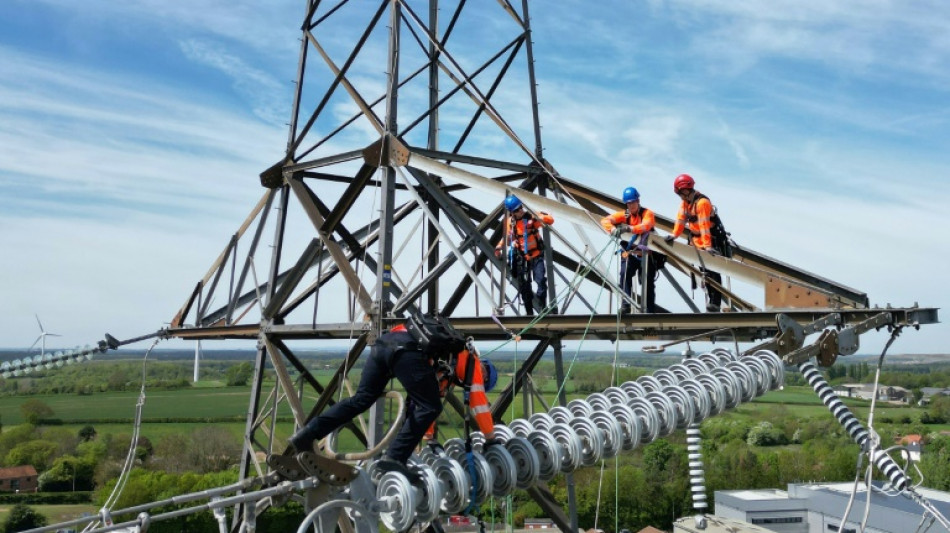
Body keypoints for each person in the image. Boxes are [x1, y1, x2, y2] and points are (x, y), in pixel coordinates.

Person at [287, 314, 466, 479]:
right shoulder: (453, 360)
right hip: (406, 352)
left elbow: (415, 396)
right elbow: (423, 400)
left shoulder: (430, 336)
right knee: (431, 407)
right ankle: (394, 458)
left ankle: (306, 434)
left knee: (361, 399)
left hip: (382, 345)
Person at [663, 173, 724, 312]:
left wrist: (707, 246)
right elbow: (680, 220)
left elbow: (704, 226)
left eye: (680, 193)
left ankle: (716, 302)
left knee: (712, 272)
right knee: (704, 272)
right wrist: (674, 235)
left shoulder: (702, 203)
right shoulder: (686, 203)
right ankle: (711, 301)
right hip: (697, 240)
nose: (680, 196)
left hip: (710, 240)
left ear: (685, 190)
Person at [600, 186, 660, 313]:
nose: (631, 205)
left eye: (633, 202)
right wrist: (612, 229)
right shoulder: (626, 214)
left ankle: (649, 311)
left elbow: (646, 225)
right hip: (630, 252)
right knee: (624, 273)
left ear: (638, 201)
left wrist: (630, 229)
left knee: (647, 281)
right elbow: (606, 220)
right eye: (628, 203)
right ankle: (625, 304)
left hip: (645, 254)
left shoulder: (646, 213)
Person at [424, 346, 499, 446]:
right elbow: (480, 407)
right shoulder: (473, 365)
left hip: (416, 356)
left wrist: (428, 437)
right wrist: (490, 438)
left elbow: (430, 401)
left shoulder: (451, 372)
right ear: (485, 377)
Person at [494, 195, 554, 315]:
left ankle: (542, 308)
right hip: (522, 258)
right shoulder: (511, 223)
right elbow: (508, 238)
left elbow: (550, 220)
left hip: (536, 255)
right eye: (516, 210)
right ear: (512, 212)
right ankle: (529, 313)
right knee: (524, 286)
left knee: (541, 280)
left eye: (520, 207)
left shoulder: (531, 218)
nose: (520, 211)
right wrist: (499, 247)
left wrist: (540, 216)